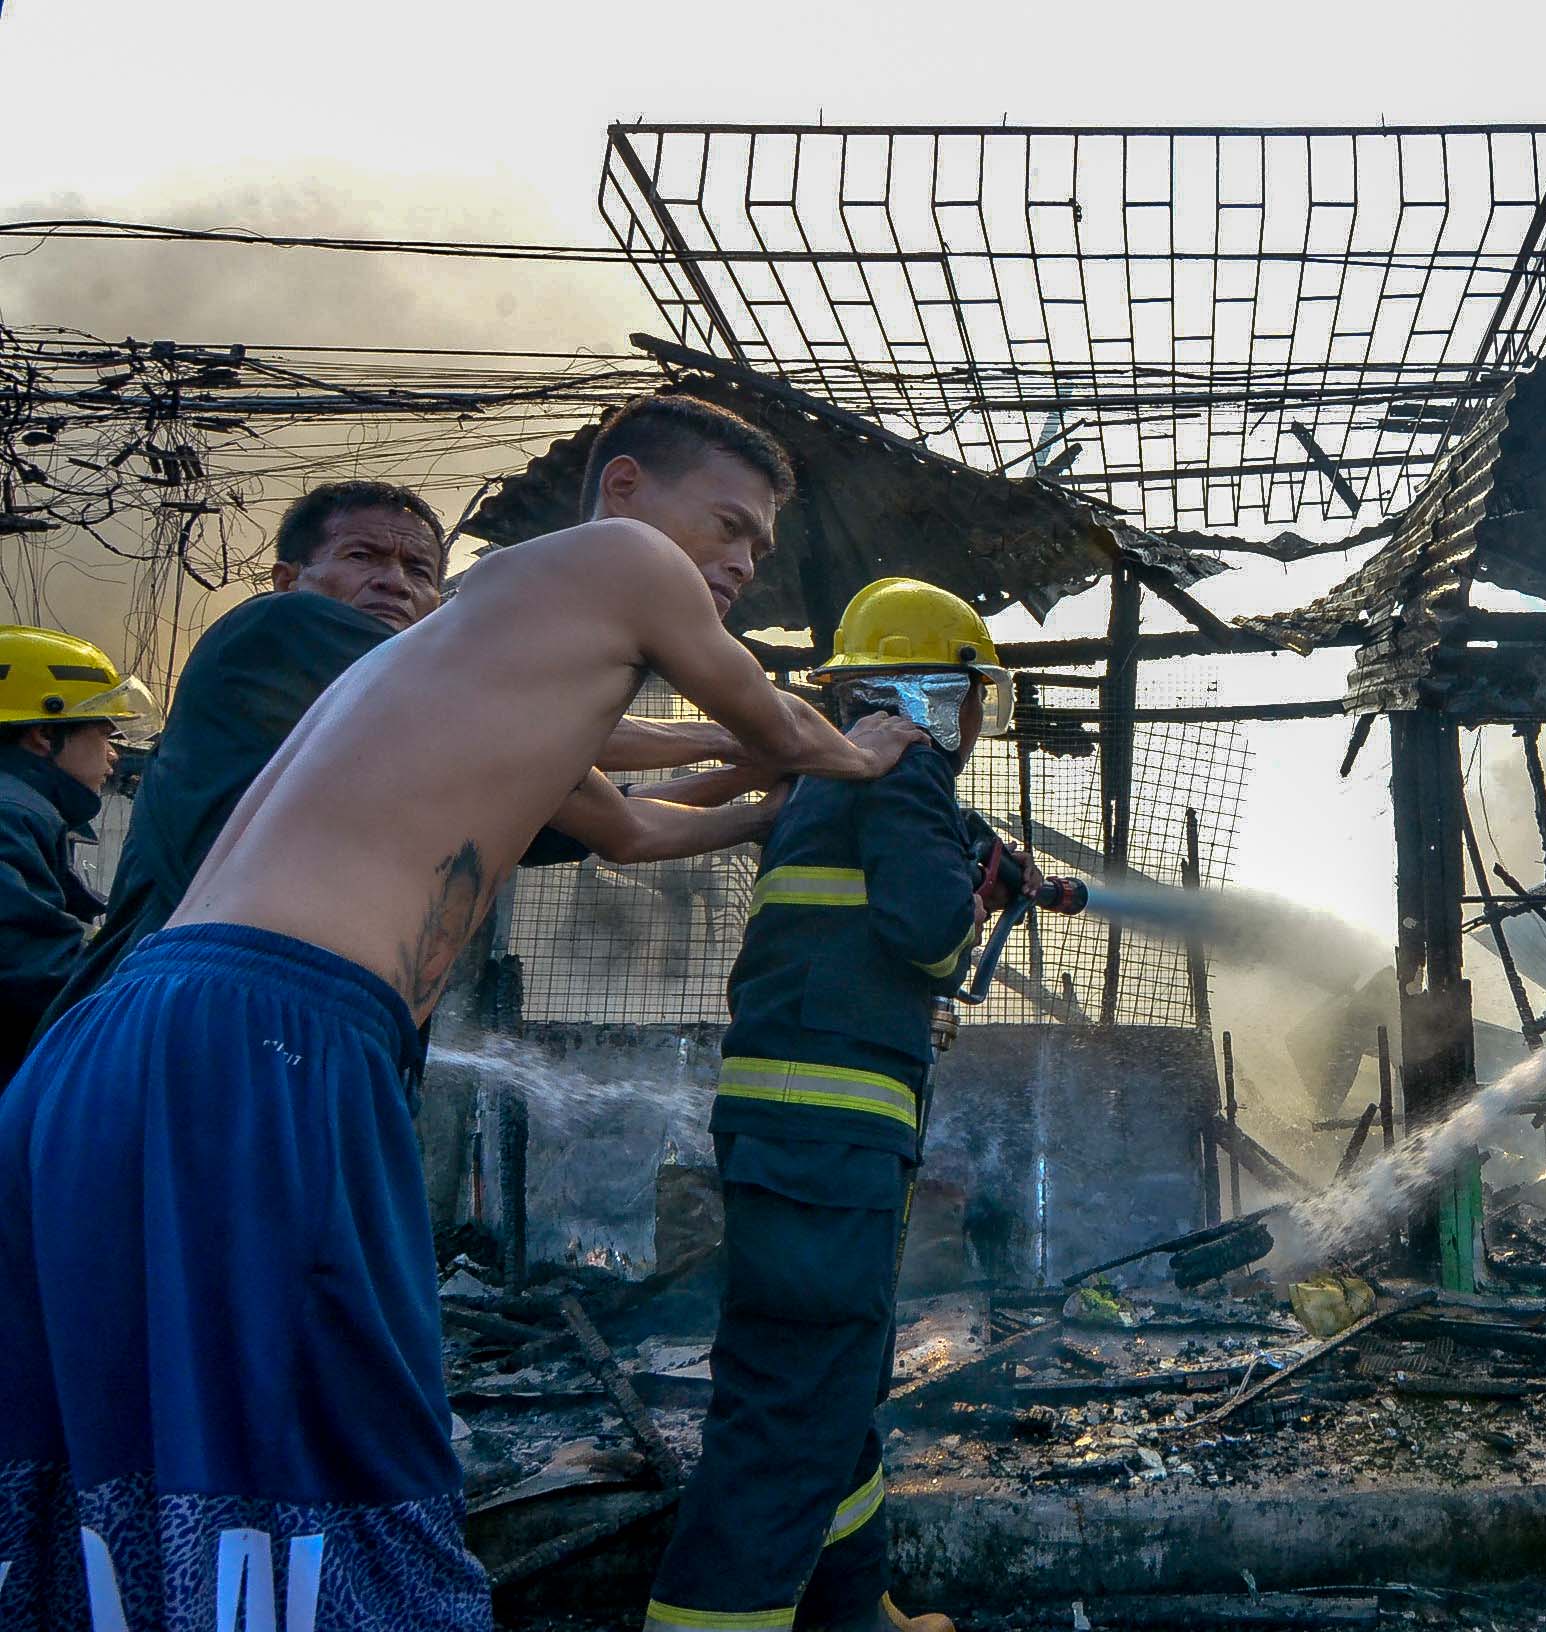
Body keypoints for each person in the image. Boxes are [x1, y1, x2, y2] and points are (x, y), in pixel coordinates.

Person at [0, 393, 927, 1632]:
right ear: (629, 488)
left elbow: (635, 821)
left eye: (757, 547)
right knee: (347, 1418)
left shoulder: (463, 661)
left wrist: (766, 809)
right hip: (272, 1028)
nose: (744, 562)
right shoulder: (619, 558)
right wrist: (862, 752)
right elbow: (757, 714)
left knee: (144, 1431)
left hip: (139, 1033)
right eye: (731, 524)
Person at [647, 576, 1027, 1632]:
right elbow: (930, 939)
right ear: (922, 692)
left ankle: (852, 1617)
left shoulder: (825, 786)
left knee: (826, 1386)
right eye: (968, 694)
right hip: (831, 1138)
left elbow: (867, 917)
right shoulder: (905, 777)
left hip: (797, 1136)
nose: (972, 718)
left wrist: (969, 872)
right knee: (795, 1409)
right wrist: (969, 889)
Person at [39, 478, 757, 1034]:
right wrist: (739, 738)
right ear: (289, 578)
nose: (395, 581)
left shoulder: (438, 749)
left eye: (419, 568)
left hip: (296, 1029)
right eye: (363, 557)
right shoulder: (286, 628)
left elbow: (617, 820)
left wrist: (759, 788)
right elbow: (554, 734)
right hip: (188, 1013)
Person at [0, 627, 156, 1078]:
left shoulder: (22, 809)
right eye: (104, 734)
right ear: (45, 735)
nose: (113, 756)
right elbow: (36, 973)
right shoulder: (12, 815)